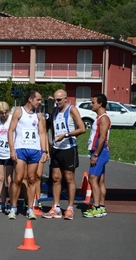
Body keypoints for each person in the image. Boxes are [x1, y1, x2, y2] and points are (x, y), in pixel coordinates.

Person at [42, 89, 85, 220]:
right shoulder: (54, 111)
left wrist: (66, 135)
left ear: (66, 99)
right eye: (55, 99)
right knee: (55, 178)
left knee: (69, 178)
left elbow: (82, 128)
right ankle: (56, 207)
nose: (57, 102)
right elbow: (49, 128)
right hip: (56, 148)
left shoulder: (72, 110)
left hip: (69, 147)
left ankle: (70, 208)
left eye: (59, 99)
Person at [7, 90, 49, 220]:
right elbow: (11, 131)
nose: (40, 102)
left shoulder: (39, 115)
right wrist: (12, 150)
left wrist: (44, 151)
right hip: (21, 149)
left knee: (32, 179)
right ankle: (13, 208)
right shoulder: (19, 111)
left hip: (34, 150)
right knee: (18, 178)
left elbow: (42, 133)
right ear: (30, 99)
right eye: (38, 99)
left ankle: (30, 208)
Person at [83, 93, 111, 218]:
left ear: (100, 104)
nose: (91, 104)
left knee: (92, 178)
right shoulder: (99, 117)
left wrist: (95, 154)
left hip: (100, 151)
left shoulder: (103, 118)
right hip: (99, 151)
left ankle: (96, 207)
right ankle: (102, 206)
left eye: (93, 102)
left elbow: (103, 137)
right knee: (100, 180)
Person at [0, 101, 14, 213]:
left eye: (5, 112)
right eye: (1, 113)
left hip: (9, 153)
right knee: (0, 179)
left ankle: (11, 203)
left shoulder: (12, 119)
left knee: (9, 179)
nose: (4, 115)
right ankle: (2, 203)